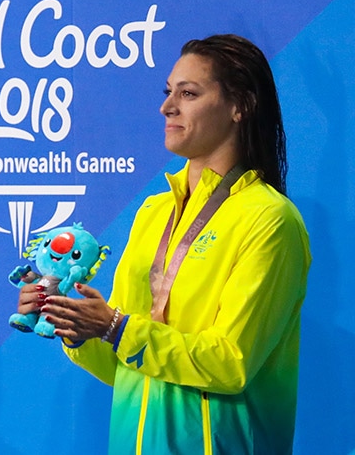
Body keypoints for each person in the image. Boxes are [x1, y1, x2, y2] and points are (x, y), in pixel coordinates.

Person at [25, 34, 311, 453]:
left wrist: (115, 326)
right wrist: (76, 326)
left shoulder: (269, 220)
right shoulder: (153, 212)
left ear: (241, 106)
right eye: (168, 92)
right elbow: (126, 364)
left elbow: (231, 362)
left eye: (189, 93)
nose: (167, 107)